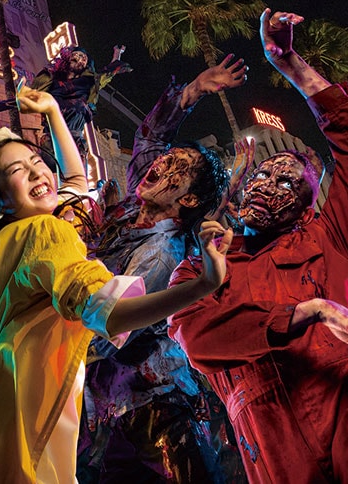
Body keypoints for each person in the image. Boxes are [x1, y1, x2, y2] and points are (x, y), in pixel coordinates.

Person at [0, 84, 231, 483]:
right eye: (16, 170)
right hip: (48, 408)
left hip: (9, 406)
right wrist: (202, 285)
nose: (38, 172)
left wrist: (52, 112)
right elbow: (105, 317)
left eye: (37, 161)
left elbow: (75, 181)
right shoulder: (50, 230)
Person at [167, 9, 348, 484]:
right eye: (261, 175)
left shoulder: (330, 236)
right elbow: (198, 337)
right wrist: (310, 311)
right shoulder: (203, 269)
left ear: (306, 206)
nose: (267, 183)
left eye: (287, 182)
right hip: (271, 444)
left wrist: (289, 64)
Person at [79, 56, 249, 484]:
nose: (162, 163)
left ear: (187, 200)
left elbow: (103, 334)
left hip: (154, 415)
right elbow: (151, 138)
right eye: (169, 158)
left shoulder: (160, 254)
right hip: (111, 404)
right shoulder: (137, 208)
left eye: (179, 167)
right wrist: (193, 90)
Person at [30, 44, 132, 163]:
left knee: (73, 172)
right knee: (49, 168)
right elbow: (33, 94)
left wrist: (117, 53)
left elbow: (109, 72)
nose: (80, 60)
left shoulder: (88, 83)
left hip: (75, 141)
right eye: (77, 55)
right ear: (68, 58)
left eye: (84, 59)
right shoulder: (53, 79)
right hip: (52, 138)